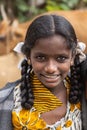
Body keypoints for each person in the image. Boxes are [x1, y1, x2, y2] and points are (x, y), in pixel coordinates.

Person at [0, 14, 87, 130]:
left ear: (73, 57)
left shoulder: (82, 96)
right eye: (41, 57)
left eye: (61, 58)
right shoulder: (5, 101)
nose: (50, 68)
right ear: (28, 56)